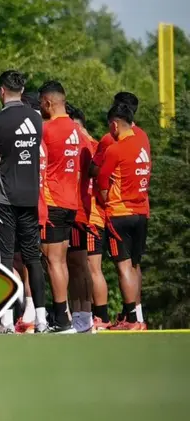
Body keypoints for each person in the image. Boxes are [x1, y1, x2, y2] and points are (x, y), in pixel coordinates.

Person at [0, 71, 47, 333]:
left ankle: (7, 320)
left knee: (4, 259)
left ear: (1, 91)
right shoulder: (36, 118)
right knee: (33, 258)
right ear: (22, 91)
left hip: (3, 198)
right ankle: (42, 320)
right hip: (30, 197)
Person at [96, 102, 151, 331]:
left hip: (120, 214)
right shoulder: (143, 141)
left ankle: (130, 319)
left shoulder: (115, 149)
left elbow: (101, 182)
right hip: (141, 212)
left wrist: (107, 200)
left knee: (123, 267)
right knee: (135, 265)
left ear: (115, 125)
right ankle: (137, 316)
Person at [37, 81, 80, 333]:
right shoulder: (76, 130)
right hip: (70, 202)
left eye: (42, 103)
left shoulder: (47, 129)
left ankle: (62, 319)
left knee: (53, 262)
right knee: (60, 261)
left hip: (53, 202)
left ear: (48, 103)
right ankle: (65, 315)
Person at [66, 104, 108, 332]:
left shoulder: (85, 145)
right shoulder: (93, 145)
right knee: (81, 267)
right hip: (87, 213)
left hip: (88, 215)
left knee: (89, 267)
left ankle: (96, 316)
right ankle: (86, 315)